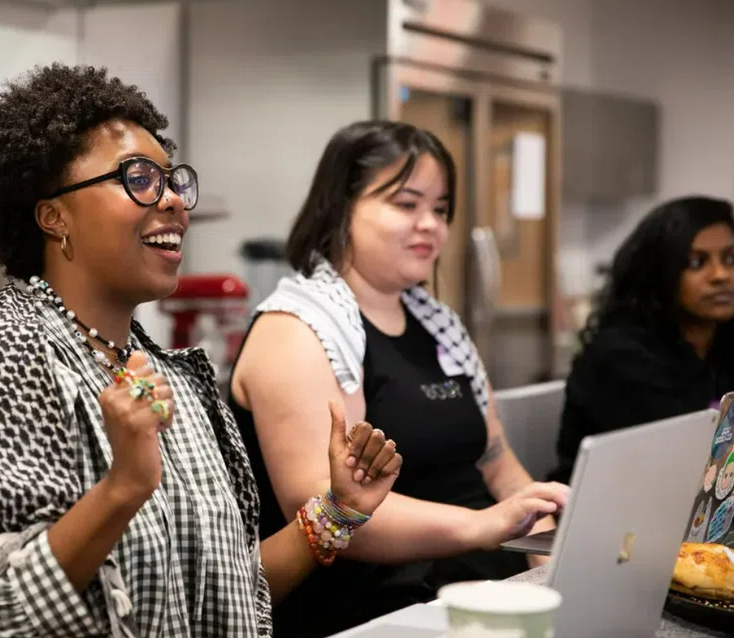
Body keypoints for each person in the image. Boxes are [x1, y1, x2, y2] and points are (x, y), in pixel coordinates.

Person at [0, 64, 404, 638]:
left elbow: (226, 593)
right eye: (139, 178)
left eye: (172, 180)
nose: (174, 200)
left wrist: (338, 510)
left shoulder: (167, 374)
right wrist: (121, 490)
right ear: (54, 216)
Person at [229, 120, 571, 636]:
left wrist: (545, 563)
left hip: (487, 596)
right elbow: (325, 507)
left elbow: (499, 466)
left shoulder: (439, 325)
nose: (430, 224)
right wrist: (485, 526)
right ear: (341, 207)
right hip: (378, 611)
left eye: (440, 209)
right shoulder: (295, 329)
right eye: (406, 204)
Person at [549, 196, 734, 485]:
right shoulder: (622, 356)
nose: (721, 275)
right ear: (660, 273)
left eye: (730, 259)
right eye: (697, 262)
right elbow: (676, 467)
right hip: (612, 504)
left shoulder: (722, 342)